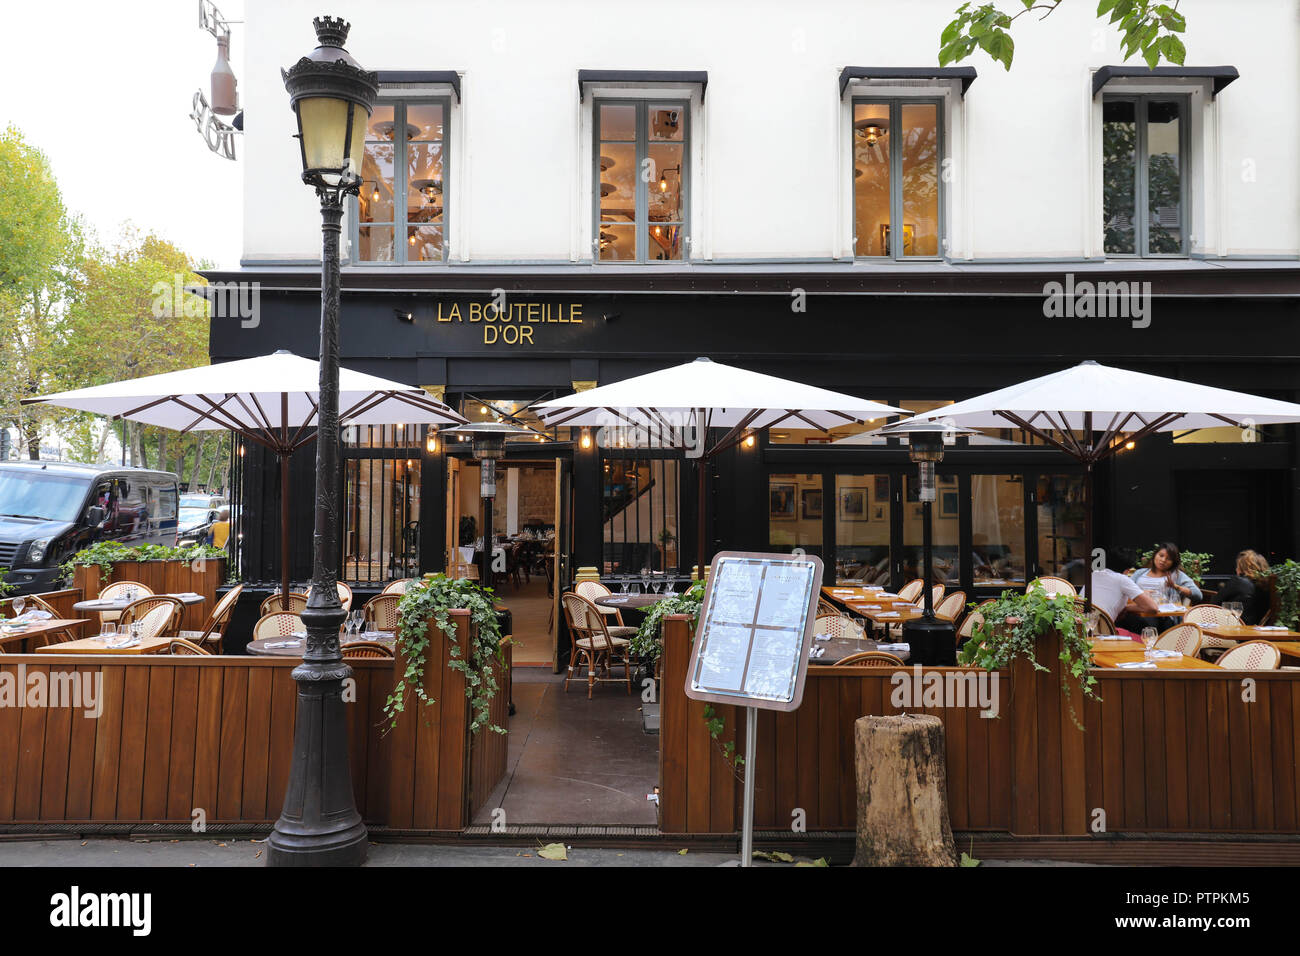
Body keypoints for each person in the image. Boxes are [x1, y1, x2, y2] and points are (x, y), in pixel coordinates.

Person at [1093, 547, 1158, 634]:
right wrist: (1126, 608)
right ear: (1128, 570)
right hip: (1103, 631)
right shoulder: (1122, 579)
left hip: (1081, 626)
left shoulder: (1094, 574)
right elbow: (1152, 608)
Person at [1129, 542, 1202, 604]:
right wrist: (1141, 593)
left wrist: (1176, 587)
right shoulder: (1140, 573)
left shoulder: (1177, 575)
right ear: (1155, 555)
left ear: (1173, 562)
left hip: (1162, 614)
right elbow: (1126, 590)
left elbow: (1198, 595)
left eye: (1169, 559)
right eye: (1161, 556)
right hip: (1137, 609)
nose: (1163, 560)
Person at [1215, 549, 1272, 625]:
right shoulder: (1268, 585)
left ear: (1242, 568)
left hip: (1235, 627)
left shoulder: (1238, 581)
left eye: (1237, 566)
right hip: (1259, 629)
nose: (1236, 570)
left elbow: (1214, 603)